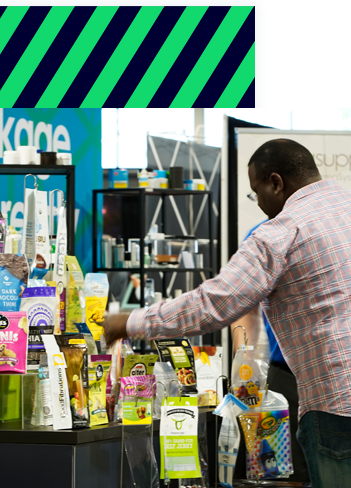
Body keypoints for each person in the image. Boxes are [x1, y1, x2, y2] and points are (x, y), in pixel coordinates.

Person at [103, 139, 351, 488]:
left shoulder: (281, 233)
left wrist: (130, 322)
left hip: (337, 403)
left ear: (276, 182)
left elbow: (215, 303)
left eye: (257, 191)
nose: (260, 203)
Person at [230, 221, 310, 483]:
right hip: (285, 378)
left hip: (334, 376)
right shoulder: (262, 235)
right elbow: (244, 307)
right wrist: (246, 371)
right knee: (282, 473)